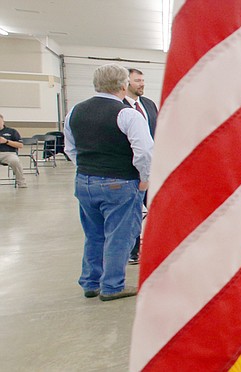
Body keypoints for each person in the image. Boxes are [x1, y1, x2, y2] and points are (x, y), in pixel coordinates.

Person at [64, 63, 153, 301]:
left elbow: (70, 149)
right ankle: (112, 286)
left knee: (93, 234)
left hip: (84, 182)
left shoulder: (75, 111)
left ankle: (91, 282)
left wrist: (88, 170)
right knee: (120, 235)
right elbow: (144, 152)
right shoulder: (127, 114)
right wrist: (145, 179)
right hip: (120, 183)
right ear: (123, 85)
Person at [124, 69, 159, 265]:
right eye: (137, 81)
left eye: (143, 80)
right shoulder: (118, 107)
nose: (142, 84)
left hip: (152, 168)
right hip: (129, 170)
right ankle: (133, 251)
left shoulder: (148, 105)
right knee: (132, 213)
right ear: (125, 83)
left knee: (158, 208)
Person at [0, 113, 28, 188]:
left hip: (8, 154)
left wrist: (6, 141)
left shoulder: (12, 131)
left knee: (15, 161)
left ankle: (21, 183)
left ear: (3, 121)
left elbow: (20, 145)